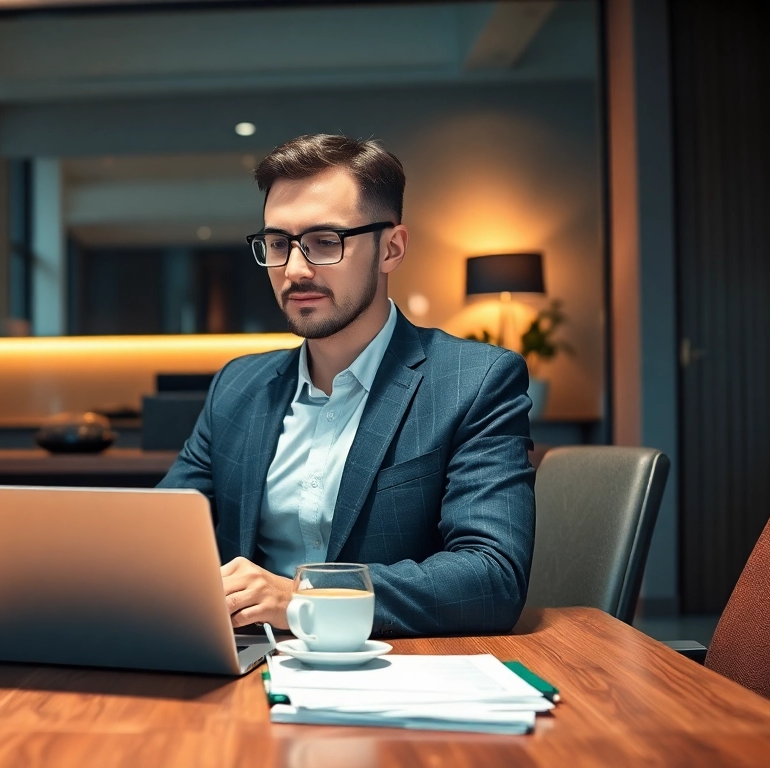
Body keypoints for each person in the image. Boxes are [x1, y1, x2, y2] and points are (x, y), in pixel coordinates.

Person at [158, 134, 535, 638]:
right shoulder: (237, 385)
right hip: (244, 666)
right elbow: (160, 536)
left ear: (391, 249)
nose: (294, 269)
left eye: (324, 242)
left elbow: (491, 577)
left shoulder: (476, 381)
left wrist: (301, 599)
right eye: (277, 244)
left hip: (398, 673)